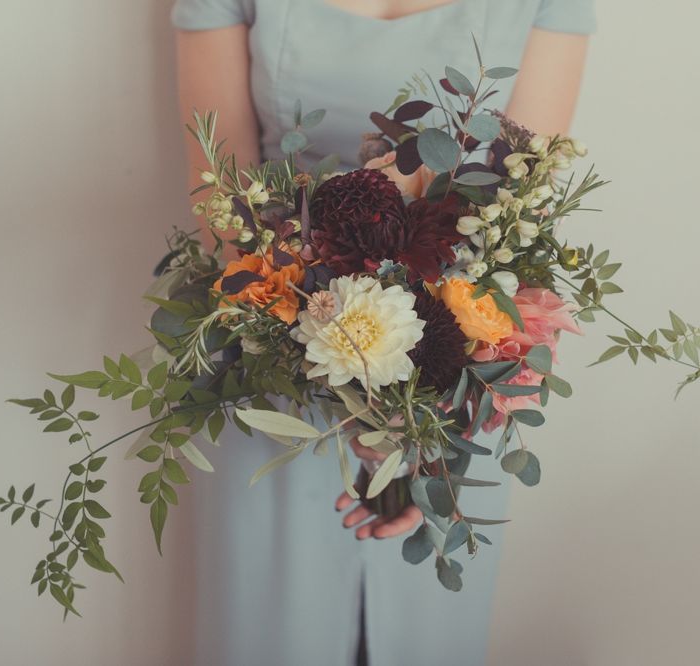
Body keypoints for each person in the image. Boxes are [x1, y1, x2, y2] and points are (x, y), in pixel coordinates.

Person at [171, 2, 595, 664]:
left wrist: (414, 425)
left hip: (448, 383)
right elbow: (224, 201)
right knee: (273, 629)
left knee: (424, 630)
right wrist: (337, 373)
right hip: (276, 362)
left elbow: (518, 208)